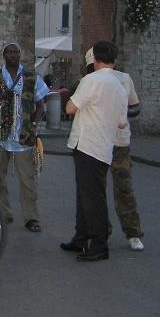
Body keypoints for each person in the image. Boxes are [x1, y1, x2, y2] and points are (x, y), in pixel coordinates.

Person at [62, 41, 128, 262]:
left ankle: (99, 245)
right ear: (114, 60)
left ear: (95, 59)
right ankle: (80, 238)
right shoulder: (120, 86)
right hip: (104, 146)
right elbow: (122, 123)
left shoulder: (90, 80)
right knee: (86, 195)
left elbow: (69, 108)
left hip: (87, 144)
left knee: (92, 199)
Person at [0, 42, 49, 230]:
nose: (13, 55)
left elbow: (41, 104)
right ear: (4, 55)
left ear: (19, 54)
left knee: (28, 179)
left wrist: (34, 123)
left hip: (23, 137)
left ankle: (31, 217)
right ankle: (3, 213)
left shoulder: (31, 77)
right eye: (9, 52)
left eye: (16, 52)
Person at [84, 47, 144, 251]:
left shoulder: (124, 79)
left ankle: (133, 233)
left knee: (124, 188)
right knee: (97, 192)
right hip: (96, 143)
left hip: (119, 143)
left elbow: (136, 107)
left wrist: (118, 112)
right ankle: (102, 232)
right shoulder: (88, 81)